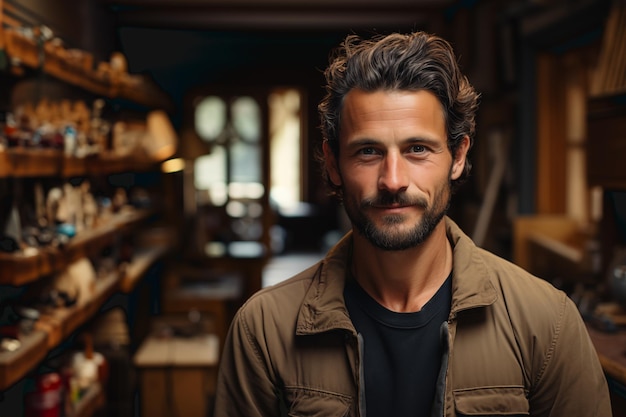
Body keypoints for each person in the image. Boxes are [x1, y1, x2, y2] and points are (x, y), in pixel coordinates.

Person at [213, 31, 611, 417]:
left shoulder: (547, 323)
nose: (392, 180)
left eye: (417, 149)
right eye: (367, 152)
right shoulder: (263, 329)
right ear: (333, 164)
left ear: (458, 156)